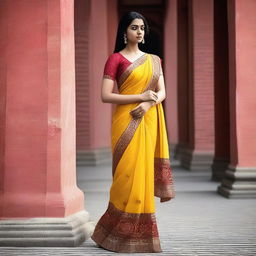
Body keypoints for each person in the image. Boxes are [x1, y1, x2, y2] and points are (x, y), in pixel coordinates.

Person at [90, 11, 175, 253]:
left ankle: (139, 236)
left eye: (142, 28)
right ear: (124, 32)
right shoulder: (115, 59)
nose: (139, 32)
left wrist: (148, 104)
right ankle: (112, 234)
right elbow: (105, 96)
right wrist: (140, 97)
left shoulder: (154, 60)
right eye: (134, 27)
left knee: (142, 175)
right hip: (125, 120)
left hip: (147, 120)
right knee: (125, 176)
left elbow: (162, 92)